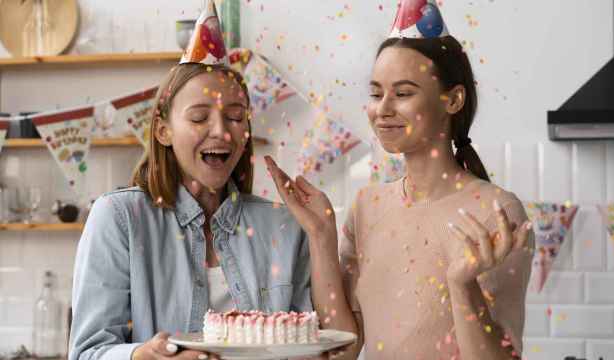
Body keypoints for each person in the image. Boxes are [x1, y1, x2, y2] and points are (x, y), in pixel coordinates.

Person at [265, 1, 534, 359]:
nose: (383, 109)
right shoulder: (368, 206)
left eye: (404, 93)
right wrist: (320, 237)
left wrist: (461, 284)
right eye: (376, 94)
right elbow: (342, 349)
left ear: (453, 99)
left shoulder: (497, 211)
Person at [69, 3, 315, 359]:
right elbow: (87, 353)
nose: (222, 131)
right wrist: (142, 356)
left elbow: (310, 346)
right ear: (163, 130)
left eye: (235, 117)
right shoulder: (119, 219)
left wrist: (322, 233)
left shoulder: (284, 225)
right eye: (200, 117)